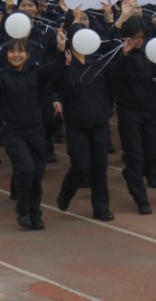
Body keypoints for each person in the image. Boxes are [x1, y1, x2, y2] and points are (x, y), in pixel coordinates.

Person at [0, 37, 54, 230]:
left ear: (27, 54)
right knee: (26, 169)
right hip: (13, 132)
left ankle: (35, 213)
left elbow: (54, 71)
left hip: (35, 130)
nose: (16, 55)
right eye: (12, 51)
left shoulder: (36, 72)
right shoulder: (1, 75)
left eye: (20, 51)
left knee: (37, 173)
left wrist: (59, 49)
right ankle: (22, 210)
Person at [54, 23, 115, 222]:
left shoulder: (97, 62)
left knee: (99, 165)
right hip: (76, 123)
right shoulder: (65, 65)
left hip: (99, 121)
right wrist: (63, 62)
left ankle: (101, 207)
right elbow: (59, 86)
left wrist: (107, 107)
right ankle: (66, 192)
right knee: (81, 166)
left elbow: (110, 84)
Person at [113, 15, 156, 215]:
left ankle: (139, 173)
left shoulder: (151, 53)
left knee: (153, 153)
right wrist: (124, 57)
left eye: (141, 37)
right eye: (134, 37)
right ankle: (141, 198)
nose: (137, 41)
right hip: (129, 112)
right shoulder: (120, 55)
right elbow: (113, 79)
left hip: (151, 110)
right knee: (134, 156)